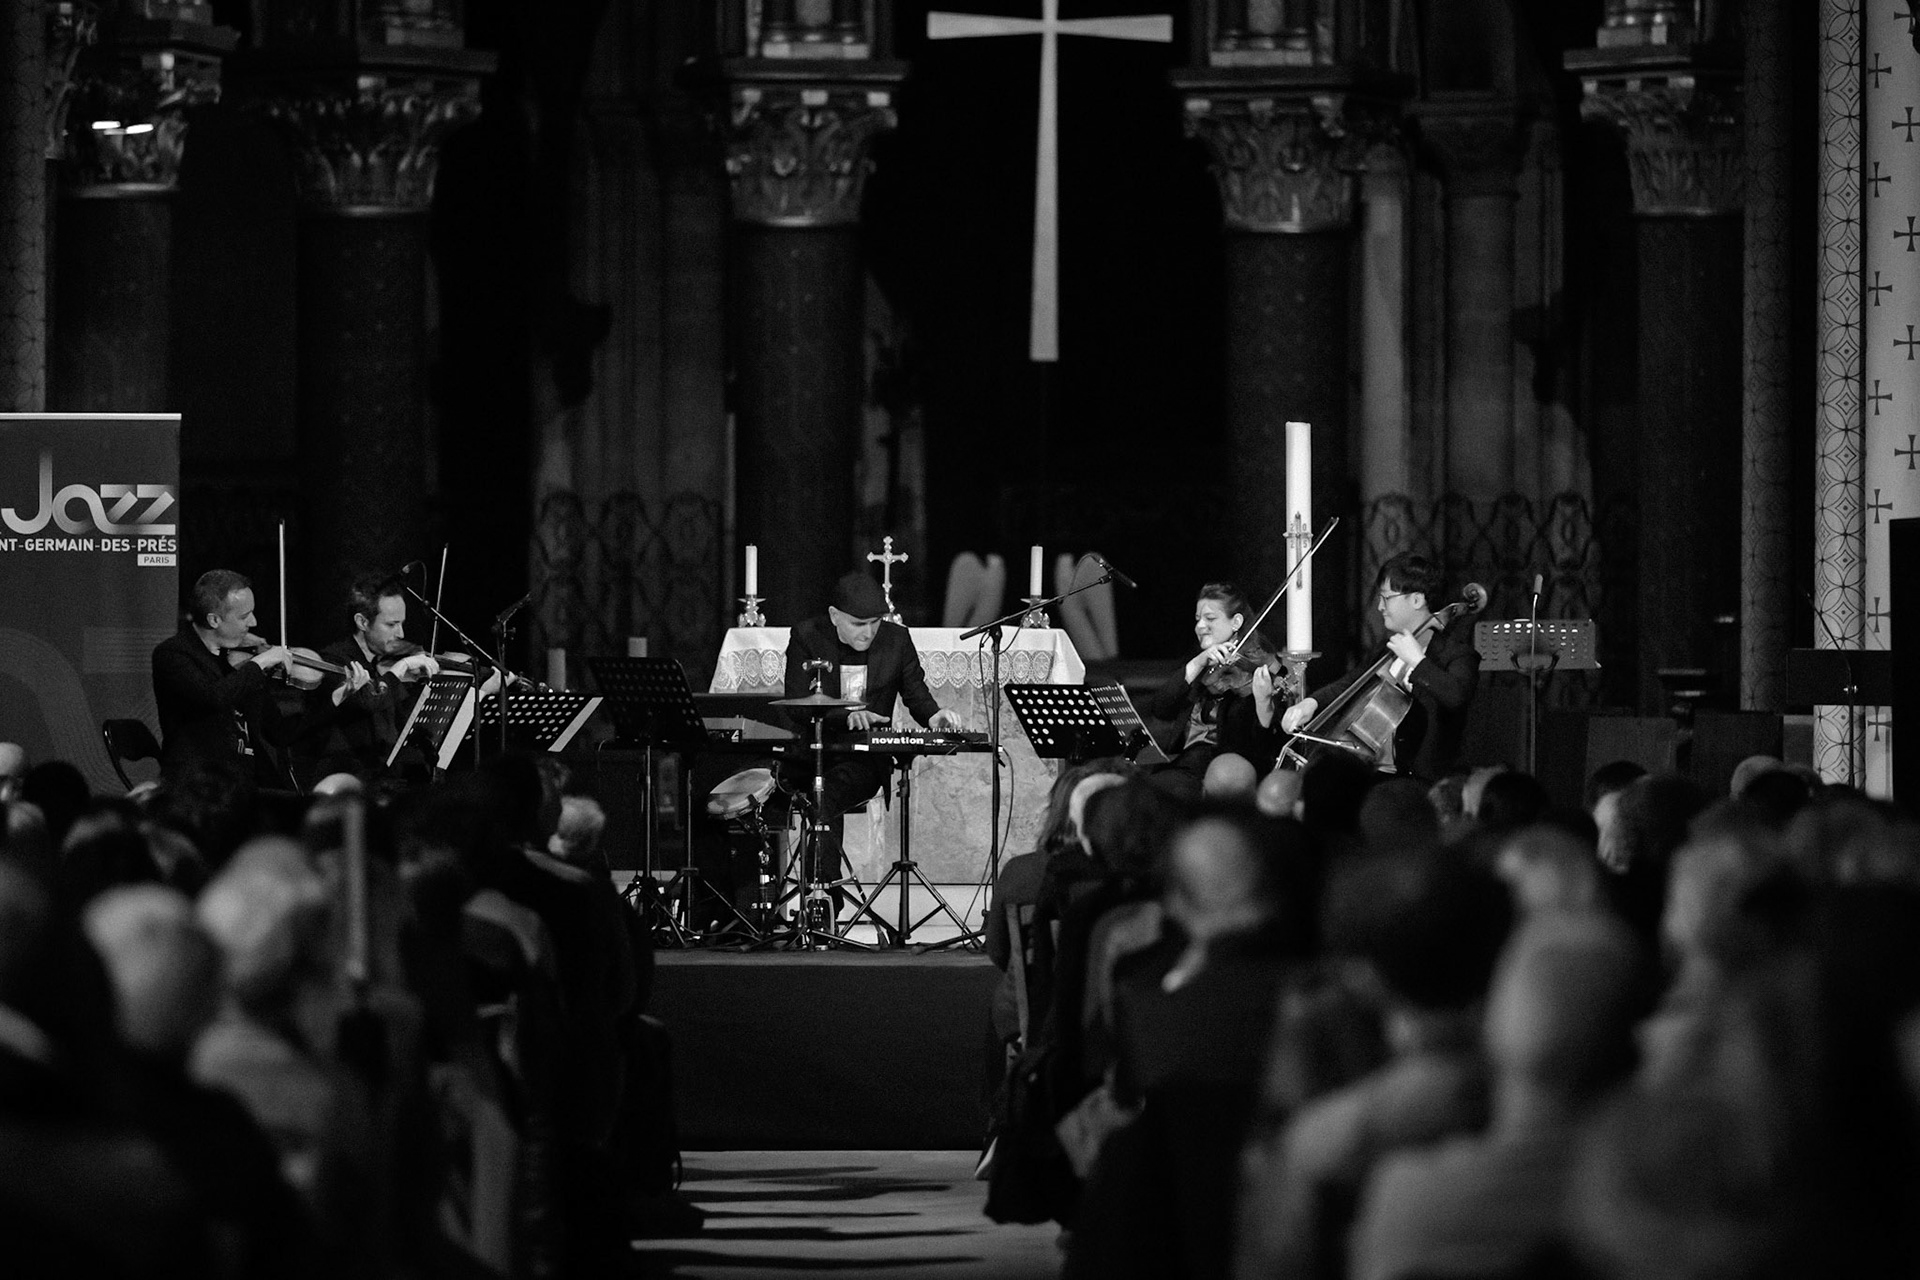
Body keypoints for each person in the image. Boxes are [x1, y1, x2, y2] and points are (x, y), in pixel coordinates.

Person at [777, 570, 963, 891]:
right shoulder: (808, 636)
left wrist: (934, 717)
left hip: (863, 758)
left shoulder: (896, 639)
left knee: (826, 795)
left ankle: (820, 897)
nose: (869, 633)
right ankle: (758, 904)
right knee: (759, 794)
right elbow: (796, 702)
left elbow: (915, 694)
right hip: (811, 752)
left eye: (875, 623)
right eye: (858, 624)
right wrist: (844, 716)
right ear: (835, 616)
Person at [151, 569, 368, 787]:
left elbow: (281, 733)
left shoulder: (241, 662)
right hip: (196, 784)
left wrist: (336, 699)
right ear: (214, 619)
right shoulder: (173, 655)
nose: (253, 622)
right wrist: (261, 663)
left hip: (245, 782)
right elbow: (214, 697)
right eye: (244, 616)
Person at [1281, 553, 1479, 783]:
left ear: (1416, 600)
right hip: (1376, 776)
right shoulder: (1388, 647)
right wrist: (1310, 703)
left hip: (1425, 782)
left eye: (1386, 598)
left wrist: (1418, 662)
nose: (1379, 606)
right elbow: (1351, 683)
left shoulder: (1457, 654)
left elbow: (1456, 697)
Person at [294, 574, 442, 789]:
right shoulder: (333, 660)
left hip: (380, 780)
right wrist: (398, 670)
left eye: (402, 623)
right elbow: (366, 702)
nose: (401, 633)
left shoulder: (378, 663)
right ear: (362, 622)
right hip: (342, 785)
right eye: (391, 624)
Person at [1144, 583, 1284, 802]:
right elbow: (1162, 708)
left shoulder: (1255, 665)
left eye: (1210, 618)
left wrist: (1262, 701)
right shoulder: (1201, 661)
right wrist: (1198, 662)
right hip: (1184, 764)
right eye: (1198, 618)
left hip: (1222, 773)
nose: (1200, 626)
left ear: (1236, 622)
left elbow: (1260, 748)